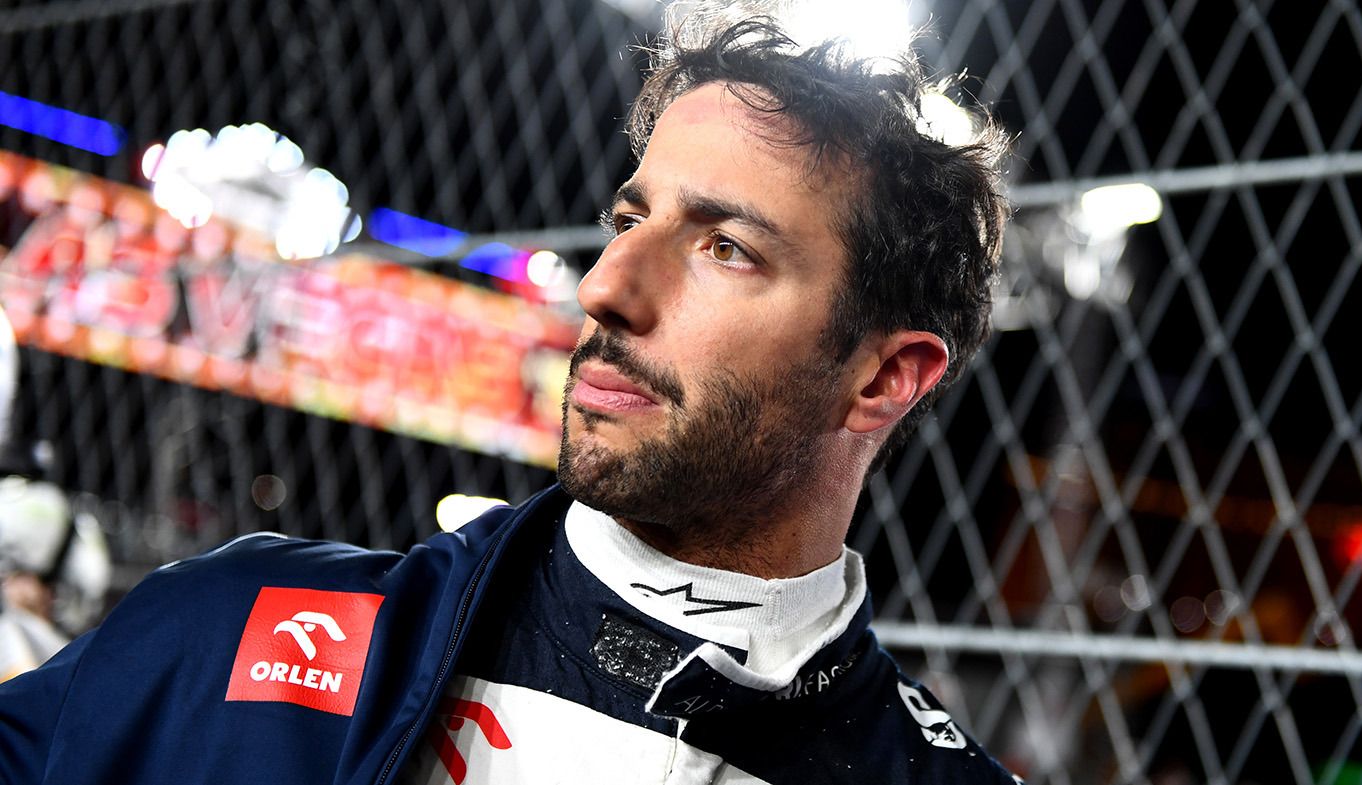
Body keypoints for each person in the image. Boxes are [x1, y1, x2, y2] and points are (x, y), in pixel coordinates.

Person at [0, 10, 1016, 785]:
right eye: (630, 216)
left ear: (882, 377)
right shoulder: (229, 629)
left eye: (725, 249)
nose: (606, 287)